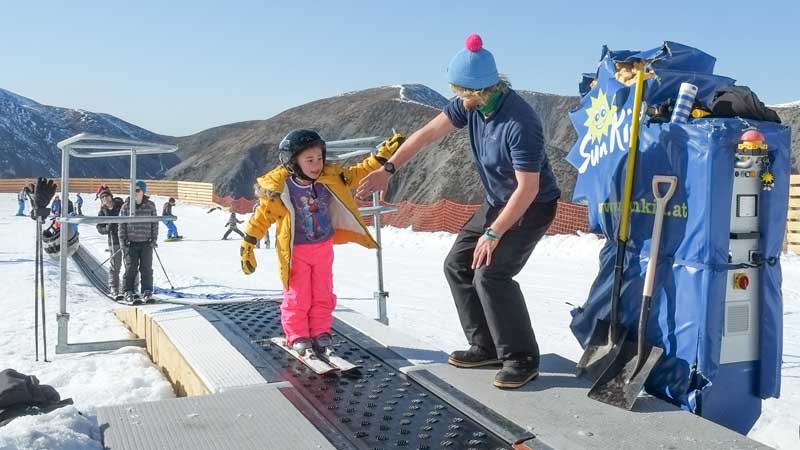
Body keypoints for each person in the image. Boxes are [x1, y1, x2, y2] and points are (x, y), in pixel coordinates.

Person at [357, 34, 561, 390]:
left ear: (482, 90)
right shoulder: (472, 105)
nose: (458, 98)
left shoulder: (519, 122)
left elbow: (528, 189)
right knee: (458, 265)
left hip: (531, 206)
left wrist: (494, 233)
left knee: (491, 275)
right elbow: (425, 134)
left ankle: (521, 358)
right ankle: (485, 346)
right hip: (498, 200)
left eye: (462, 92)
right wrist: (387, 169)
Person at [240, 129, 404, 355]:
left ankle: (320, 331)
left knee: (323, 292)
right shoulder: (280, 189)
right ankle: (297, 333)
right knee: (298, 295)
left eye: (319, 158)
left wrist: (384, 155)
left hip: (323, 248)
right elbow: (262, 217)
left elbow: (359, 172)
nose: (316, 164)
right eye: (309, 160)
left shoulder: (330, 177)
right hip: (295, 251)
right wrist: (249, 244)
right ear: (292, 162)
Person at [119, 180, 158, 304]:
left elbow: (155, 223)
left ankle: (147, 290)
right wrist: (123, 242)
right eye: (132, 190)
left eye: (137, 190)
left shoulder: (150, 206)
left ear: (143, 192)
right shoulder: (126, 206)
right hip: (131, 243)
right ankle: (128, 290)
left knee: (146, 268)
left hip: (146, 242)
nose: (134, 193)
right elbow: (121, 225)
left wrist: (154, 239)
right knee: (131, 268)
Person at [97, 188, 126, 300]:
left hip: (126, 237)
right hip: (113, 240)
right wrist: (107, 228)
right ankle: (114, 287)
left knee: (130, 263)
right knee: (115, 265)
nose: (105, 199)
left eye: (106, 196)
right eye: (102, 197)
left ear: (111, 196)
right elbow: (99, 228)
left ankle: (130, 286)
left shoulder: (121, 205)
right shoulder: (102, 212)